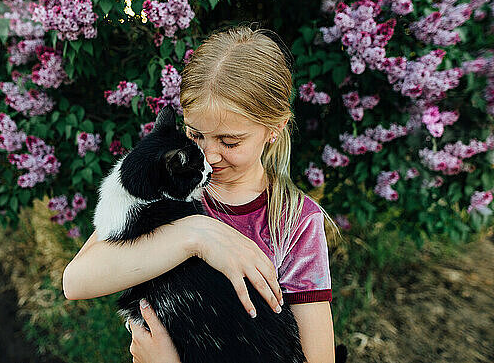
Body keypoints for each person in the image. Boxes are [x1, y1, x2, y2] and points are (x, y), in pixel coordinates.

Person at [63, 24, 337, 363]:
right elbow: (76, 281)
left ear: (274, 129)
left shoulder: (296, 222)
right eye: (196, 135)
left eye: (230, 141)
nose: (209, 156)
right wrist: (195, 235)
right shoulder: (172, 188)